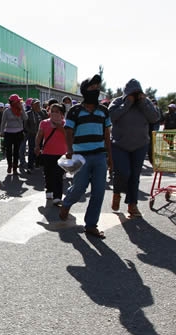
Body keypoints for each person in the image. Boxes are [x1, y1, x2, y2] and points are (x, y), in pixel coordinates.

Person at [59, 74, 112, 239]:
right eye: (92, 87)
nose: (96, 89)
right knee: (79, 188)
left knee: (98, 191)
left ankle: (91, 225)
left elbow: (107, 135)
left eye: (97, 87)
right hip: (81, 156)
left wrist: (110, 157)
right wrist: (69, 150)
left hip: (99, 156)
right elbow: (68, 131)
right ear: (84, 90)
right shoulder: (75, 111)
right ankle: (67, 203)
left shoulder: (104, 111)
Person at [108, 79, 160, 218]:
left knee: (135, 176)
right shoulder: (118, 101)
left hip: (140, 145)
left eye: (138, 93)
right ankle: (117, 193)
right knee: (122, 172)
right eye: (133, 93)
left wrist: (143, 102)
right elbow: (111, 117)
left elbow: (155, 118)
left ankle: (132, 204)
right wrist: (127, 103)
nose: (135, 95)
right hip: (119, 144)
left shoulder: (145, 101)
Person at [34, 102, 66, 205]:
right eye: (52, 111)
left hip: (61, 154)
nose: (54, 113)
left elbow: (69, 136)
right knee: (48, 174)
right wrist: (37, 146)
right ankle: (49, 190)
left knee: (58, 175)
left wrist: (59, 126)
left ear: (61, 113)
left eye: (57, 111)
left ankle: (57, 196)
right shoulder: (44, 123)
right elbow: (39, 135)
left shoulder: (66, 123)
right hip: (47, 153)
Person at [0, 94, 28, 174]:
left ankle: (15, 168)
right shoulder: (7, 111)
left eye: (20, 101)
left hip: (18, 133)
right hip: (8, 133)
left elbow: (25, 118)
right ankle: (9, 165)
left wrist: (22, 108)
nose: (19, 102)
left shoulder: (20, 109)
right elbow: (3, 122)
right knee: (8, 151)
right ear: (13, 102)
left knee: (16, 151)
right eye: (18, 101)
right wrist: (2, 132)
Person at [24, 99, 47, 171]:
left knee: (40, 149)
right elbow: (25, 125)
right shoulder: (28, 113)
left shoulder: (42, 112)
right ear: (32, 105)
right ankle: (30, 166)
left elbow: (46, 120)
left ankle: (37, 163)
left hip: (41, 134)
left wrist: (40, 112)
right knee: (31, 150)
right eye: (36, 104)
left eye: (38, 104)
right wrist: (30, 131)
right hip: (32, 134)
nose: (37, 106)